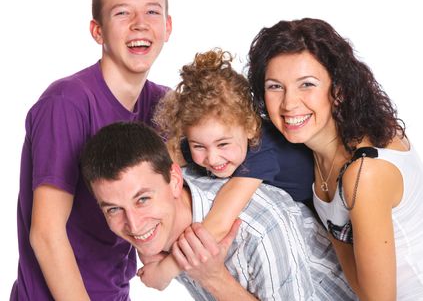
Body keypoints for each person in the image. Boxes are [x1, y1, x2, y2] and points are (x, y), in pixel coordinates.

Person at [10, 0, 172, 300]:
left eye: (152, 12)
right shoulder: (67, 102)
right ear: (97, 31)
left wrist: (167, 265)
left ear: (168, 27)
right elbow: (45, 233)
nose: (140, 23)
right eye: (122, 12)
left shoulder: (162, 104)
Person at [247, 18, 423, 300]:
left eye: (306, 84)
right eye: (275, 86)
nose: (289, 103)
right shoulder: (313, 145)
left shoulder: (365, 173)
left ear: (338, 90)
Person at [80, 121, 356, 300]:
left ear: (175, 181)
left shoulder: (257, 225)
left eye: (142, 200)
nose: (134, 225)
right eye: (114, 209)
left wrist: (213, 278)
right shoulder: (164, 227)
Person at [138, 48, 314, 289]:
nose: (212, 158)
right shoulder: (206, 140)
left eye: (223, 144)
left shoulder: (261, 148)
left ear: (250, 127)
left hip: (321, 212)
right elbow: (156, 161)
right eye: (198, 145)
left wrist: (164, 272)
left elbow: (219, 223)